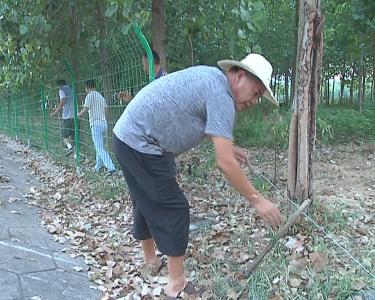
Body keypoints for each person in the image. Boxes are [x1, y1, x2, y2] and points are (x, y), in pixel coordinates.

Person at [112, 53, 284, 299]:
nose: (255, 101)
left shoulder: (214, 80)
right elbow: (224, 163)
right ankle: (176, 283)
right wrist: (257, 200)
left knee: (146, 198)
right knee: (174, 207)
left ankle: (151, 261)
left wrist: (227, 145)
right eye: (256, 92)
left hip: (130, 136)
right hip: (140, 141)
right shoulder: (222, 96)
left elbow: (197, 118)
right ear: (240, 76)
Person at [78, 80, 115, 174]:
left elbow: (86, 108)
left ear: (87, 87)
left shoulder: (89, 96)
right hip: (104, 123)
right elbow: (106, 110)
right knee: (100, 146)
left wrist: (78, 114)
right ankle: (98, 167)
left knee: (99, 147)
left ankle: (111, 167)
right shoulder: (100, 96)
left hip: (95, 124)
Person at [50, 79, 75, 155]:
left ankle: (70, 148)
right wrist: (57, 108)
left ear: (59, 85)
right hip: (75, 115)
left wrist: (55, 112)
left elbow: (63, 100)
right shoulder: (71, 89)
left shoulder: (62, 90)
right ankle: (75, 154)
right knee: (73, 135)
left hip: (67, 116)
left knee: (64, 135)